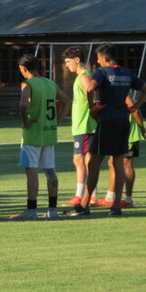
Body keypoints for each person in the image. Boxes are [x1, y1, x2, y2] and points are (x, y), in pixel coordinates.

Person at [67, 44, 146, 217]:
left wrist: (91, 107)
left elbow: (89, 88)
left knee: (93, 162)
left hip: (107, 121)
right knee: (118, 163)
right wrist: (134, 108)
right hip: (123, 121)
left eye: (98, 58)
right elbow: (144, 89)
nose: (97, 61)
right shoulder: (127, 73)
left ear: (105, 59)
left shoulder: (102, 73)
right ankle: (116, 207)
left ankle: (84, 205)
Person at [12, 54, 70, 220]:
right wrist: (57, 120)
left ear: (23, 69)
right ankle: (52, 210)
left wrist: (26, 121)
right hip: (49, 133)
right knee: (50, 171)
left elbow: (23, 104)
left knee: (31, 171)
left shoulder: (28, 83)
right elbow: (66, 101)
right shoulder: (50, 83)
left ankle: (31, 210)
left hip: (33, 134)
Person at [62, 46, 99, 206]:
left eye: (68, 61)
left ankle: (81, 194)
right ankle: (91, 195)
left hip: (85, 126)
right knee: (83, 160)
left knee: (80, 159)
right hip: (81, 126)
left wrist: (92, 112)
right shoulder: (80, 77)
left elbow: (92, 95)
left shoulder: (84, 77)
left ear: (77, 60)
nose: (67, 65)